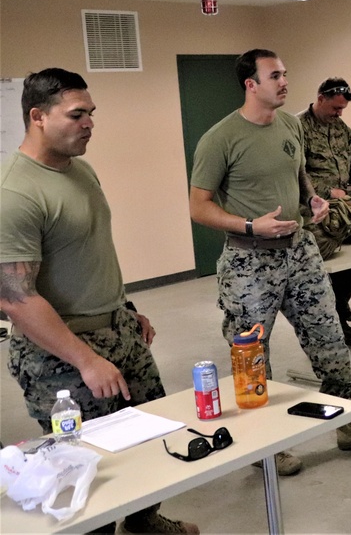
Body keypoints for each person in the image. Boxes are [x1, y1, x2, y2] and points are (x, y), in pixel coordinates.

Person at [0, 69, 198, 534]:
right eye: (76, 114)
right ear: (37, 116)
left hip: (120, 333)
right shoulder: (15, 193)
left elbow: (89, 252)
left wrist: (124, 310)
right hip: (62, 358)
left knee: (152, 438)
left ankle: (144, 522)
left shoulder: (80, 169)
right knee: (87, 467)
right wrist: (87, 360)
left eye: (91, 113)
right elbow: (15, 299)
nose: (89, 123)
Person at [189, 50, 351, 477]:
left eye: (285, 74)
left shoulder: (287, 125)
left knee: (330, 338)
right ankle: (264, 445)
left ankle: (347, 422)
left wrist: (312, 199)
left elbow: (299, 173)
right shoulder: (220, 138)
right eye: (275, 75)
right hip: (249, 261)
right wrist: (249, 225)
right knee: (252, 357)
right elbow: (199, 207)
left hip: (300, 252)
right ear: (251, 84)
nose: (284, 82)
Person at [298, 77, 351, 347]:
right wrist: (329, 191)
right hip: (316, 216)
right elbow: (297, 173)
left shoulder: (342, 129)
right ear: (320, 99)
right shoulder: (298, 128)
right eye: (335, 108)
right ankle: (327, 330)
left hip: (345, 214)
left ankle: (342, 321)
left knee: (347, 267)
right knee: (323, 272)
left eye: (342, 109)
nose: (338, 114)